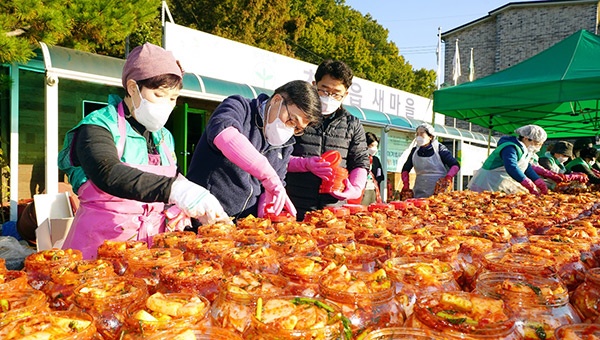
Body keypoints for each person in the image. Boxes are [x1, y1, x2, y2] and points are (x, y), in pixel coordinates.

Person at [58, 43, 228, 259]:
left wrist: (194, 207)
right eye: (159, 95)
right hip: (99, 248)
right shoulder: (97, 126)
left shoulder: (164, 137)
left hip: (151, 251)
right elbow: (107, 172)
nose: (167, 104)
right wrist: (177, 190)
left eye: (173, 98)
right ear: (132, 88)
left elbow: (169, 180)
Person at [186, 80, 322, 220]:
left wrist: (266, 206)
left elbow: (271, 187)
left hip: (244, 223)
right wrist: (267, 174)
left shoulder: (285, 145)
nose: (290, 129)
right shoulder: (240, 107)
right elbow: (224, 134)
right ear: (277, 100)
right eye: (291, 120)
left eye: (298, 129)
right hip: (204, 214)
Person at [285, 60, 370, 220]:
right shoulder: (296, 115)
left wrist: (356, 187)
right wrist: (305, 164)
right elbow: (276, 155)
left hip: (334, 210)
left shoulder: (352, 124)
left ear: (345, 95)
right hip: (294, 205)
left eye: (336, 93)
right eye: (324, 91)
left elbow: (360, 162)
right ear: (313, 85)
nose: (329, 97)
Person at [468, 124, 548, 195]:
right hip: (486, 182)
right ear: (526, 138)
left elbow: (526, 167)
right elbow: (511, 167)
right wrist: (526, 182)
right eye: (537, 143)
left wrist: (537, 180)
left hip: (498, 183)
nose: (538, 147)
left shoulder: (525, 150)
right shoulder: (510, 147)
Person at [401, 123, 460, 198]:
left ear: (430, 137)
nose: (419, 137)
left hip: (439, 191)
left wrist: (448, 177)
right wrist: (406, 184)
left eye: (422, 134)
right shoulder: (415, 150)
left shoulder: (440, 149)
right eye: (417, 134)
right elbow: (406, 168)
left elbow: (455, 165)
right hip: (419, 190)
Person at [357, 132, 384, 205]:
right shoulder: (359, 158)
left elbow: (380, 175)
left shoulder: (376, 160)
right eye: (372, 145)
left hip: (373, 190)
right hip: (362, 190)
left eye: (376, 146)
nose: (374, 149)